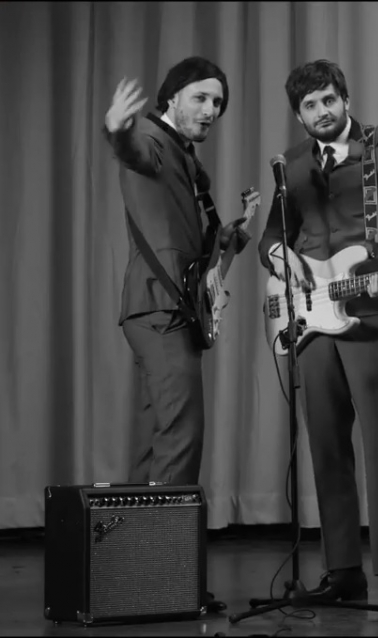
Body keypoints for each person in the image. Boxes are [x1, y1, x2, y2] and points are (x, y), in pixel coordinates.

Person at [257, 59, 378, 614]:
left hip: (375, 318)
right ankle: (342, 571)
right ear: (299, 114)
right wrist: (281, 257)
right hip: (311, 323)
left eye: (329, 100)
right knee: (326, 446)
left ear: (345, 99)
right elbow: (271, 238)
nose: (321, 111)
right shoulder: (290, 165)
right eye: (310, 105)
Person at [104, 56, 249, 614]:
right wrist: (116, 130)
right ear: (171, 99)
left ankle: (130, 576)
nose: (211, 110)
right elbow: (132, 152)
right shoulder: (151, 138)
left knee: (157, 443)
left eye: (218, 103)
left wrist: (228, 238)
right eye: (201, 98)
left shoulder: (184, 157)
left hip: (166, 309)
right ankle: (163, 579)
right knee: (182, 437)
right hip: (159, 309)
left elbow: (188, 249)